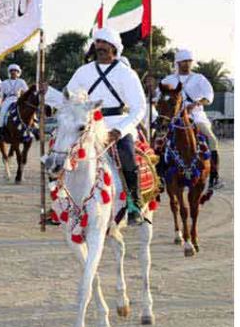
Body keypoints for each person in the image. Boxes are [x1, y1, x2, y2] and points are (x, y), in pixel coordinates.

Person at [59, 27, 148, 225]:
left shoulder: (127, 74)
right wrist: (46, 94)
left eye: (104, 44)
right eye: (98, 43)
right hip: (89, 123)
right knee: (60, 151)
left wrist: (121, 130)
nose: (100, 47)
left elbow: (139, 107)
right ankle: (61, 202)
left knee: (126, 155)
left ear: (114, 47)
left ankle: (134, 203)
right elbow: (68, 96)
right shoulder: (83, 71)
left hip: (117, 123)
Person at [160, 48, 222, 188]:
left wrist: (197, 103)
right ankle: (160, 174)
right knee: (160, 141)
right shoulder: (169, 79)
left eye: (189, 61)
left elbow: (208, 97)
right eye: (183, 61)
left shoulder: (199, 78)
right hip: (175, 118)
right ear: (177, 63)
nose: (187, 64)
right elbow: (160, 96)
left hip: (196, 116)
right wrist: (152, 89)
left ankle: (214, 176)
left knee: (212, 140)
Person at [0, 64, 29, 131]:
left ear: (18, 72)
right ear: (9, 72)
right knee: (2, 112)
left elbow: (27, 92)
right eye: (12, 71)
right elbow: (0, 95)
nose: (13, 72)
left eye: (15, 71)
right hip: (8, 100)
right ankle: (0, 129)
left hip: (18, 99)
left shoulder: (21, 81)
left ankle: (31, 128)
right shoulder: (4, 83)